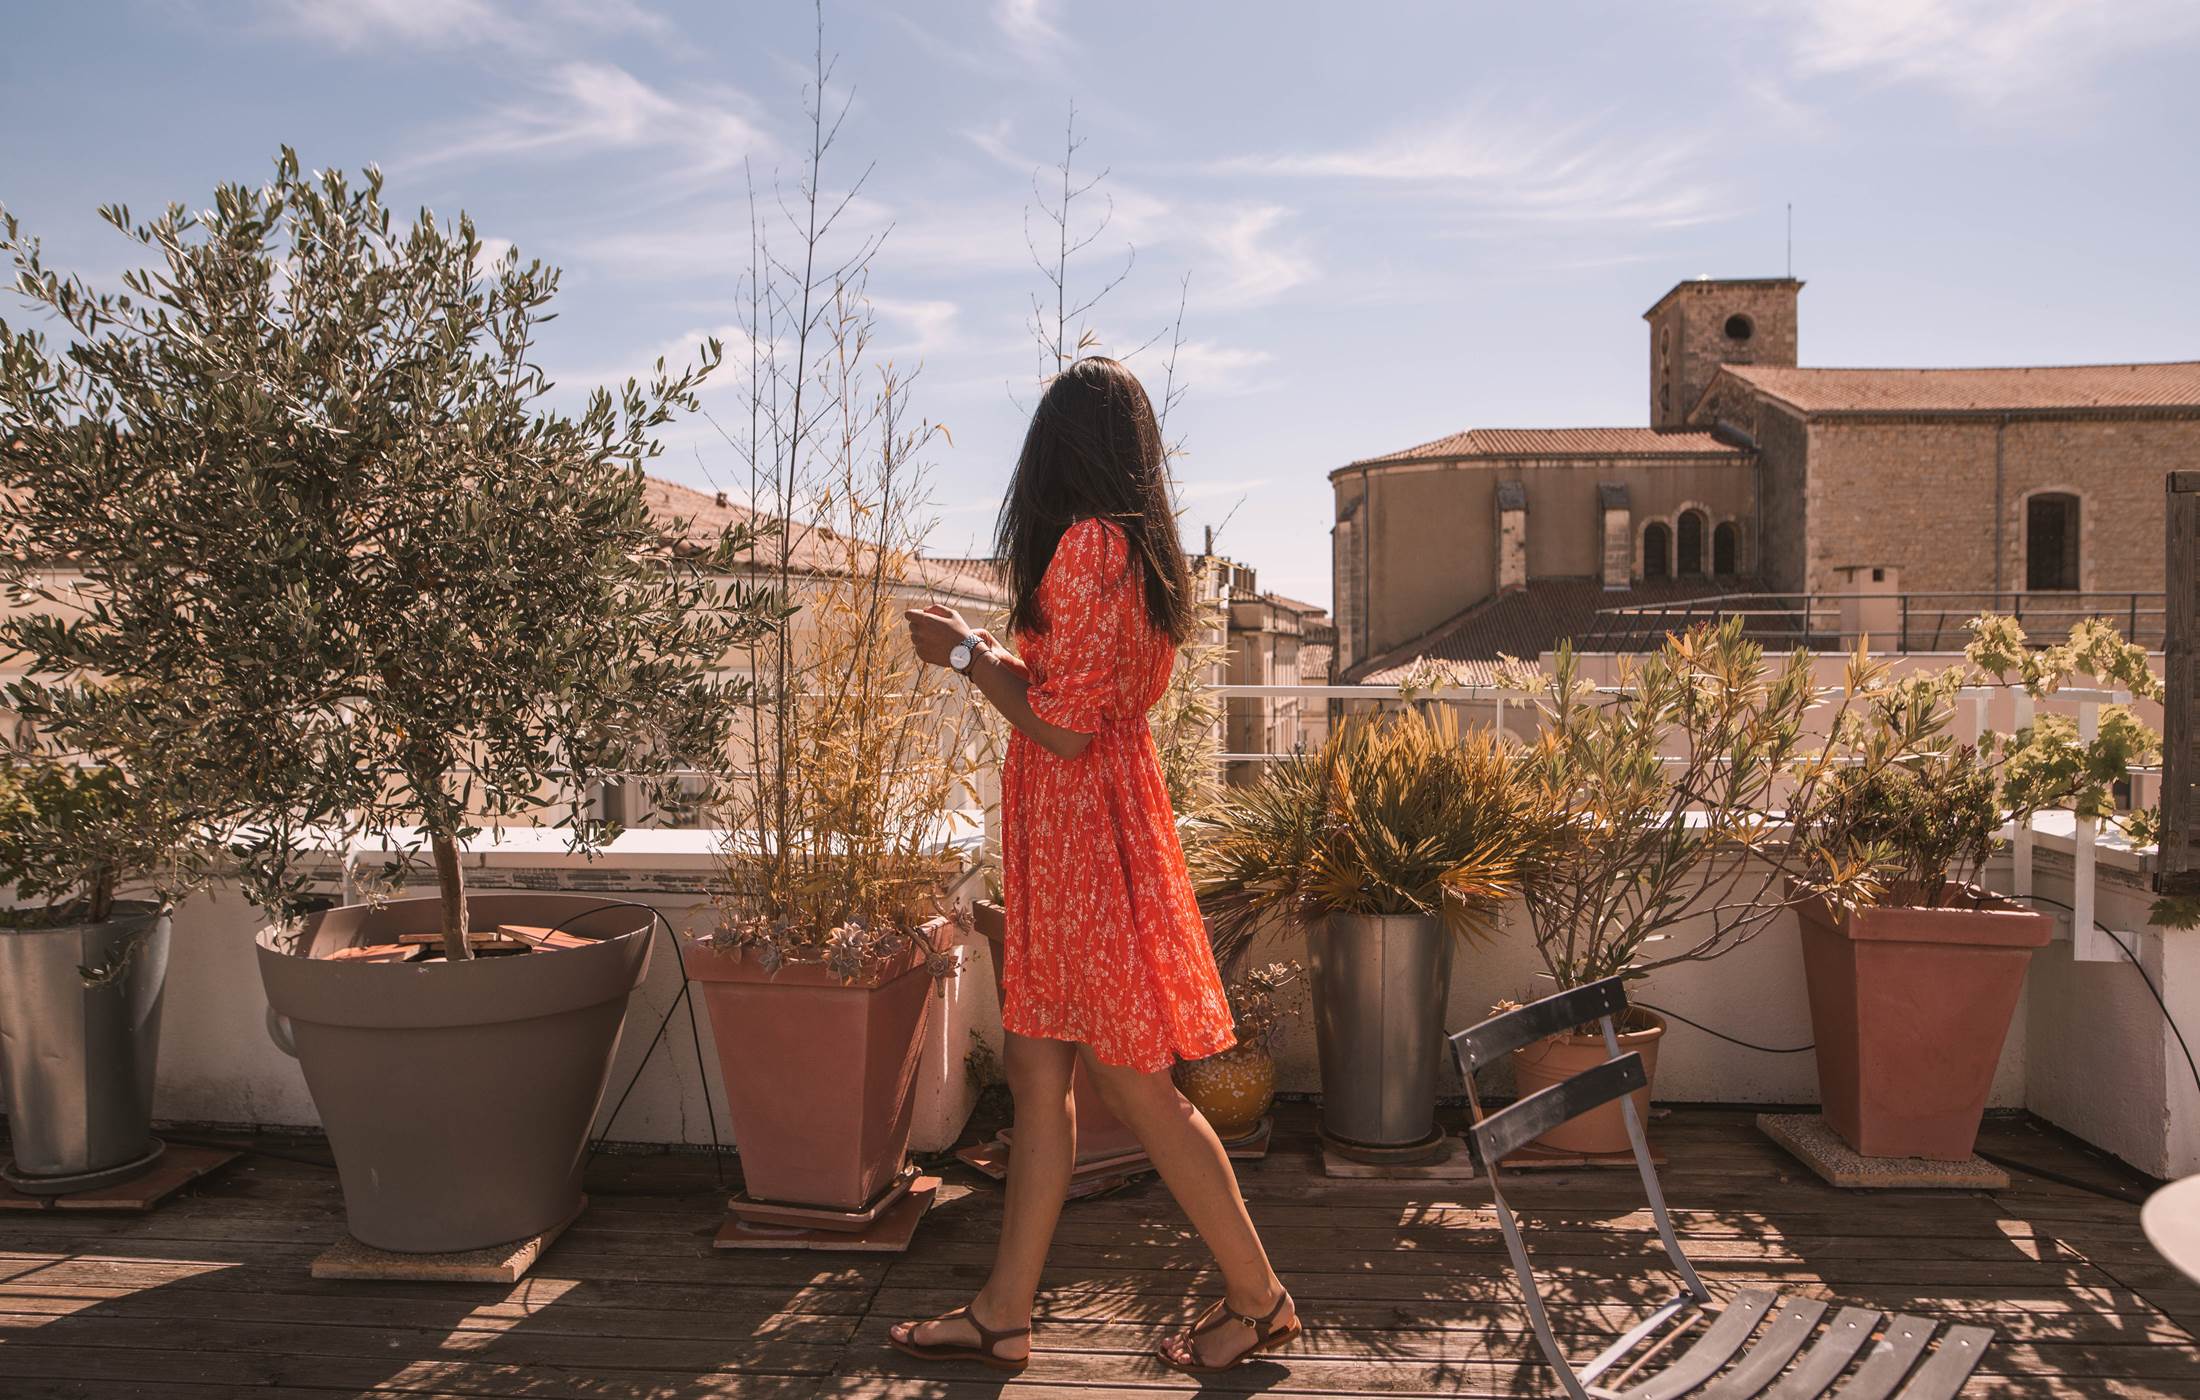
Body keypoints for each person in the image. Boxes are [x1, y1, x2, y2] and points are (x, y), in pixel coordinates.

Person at [892, 357, 1298, 1376]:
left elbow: (1062, 732)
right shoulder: (1139, 551)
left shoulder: (1083, 545)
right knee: (1037, 1074)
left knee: (1137, 1084)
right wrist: (995, 654)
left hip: (1078, 835)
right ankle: (1004, 1310)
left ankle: (1259, 1299)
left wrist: (956, 657)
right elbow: (1081, 695)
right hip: (1090, 828)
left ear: (1056, 448)